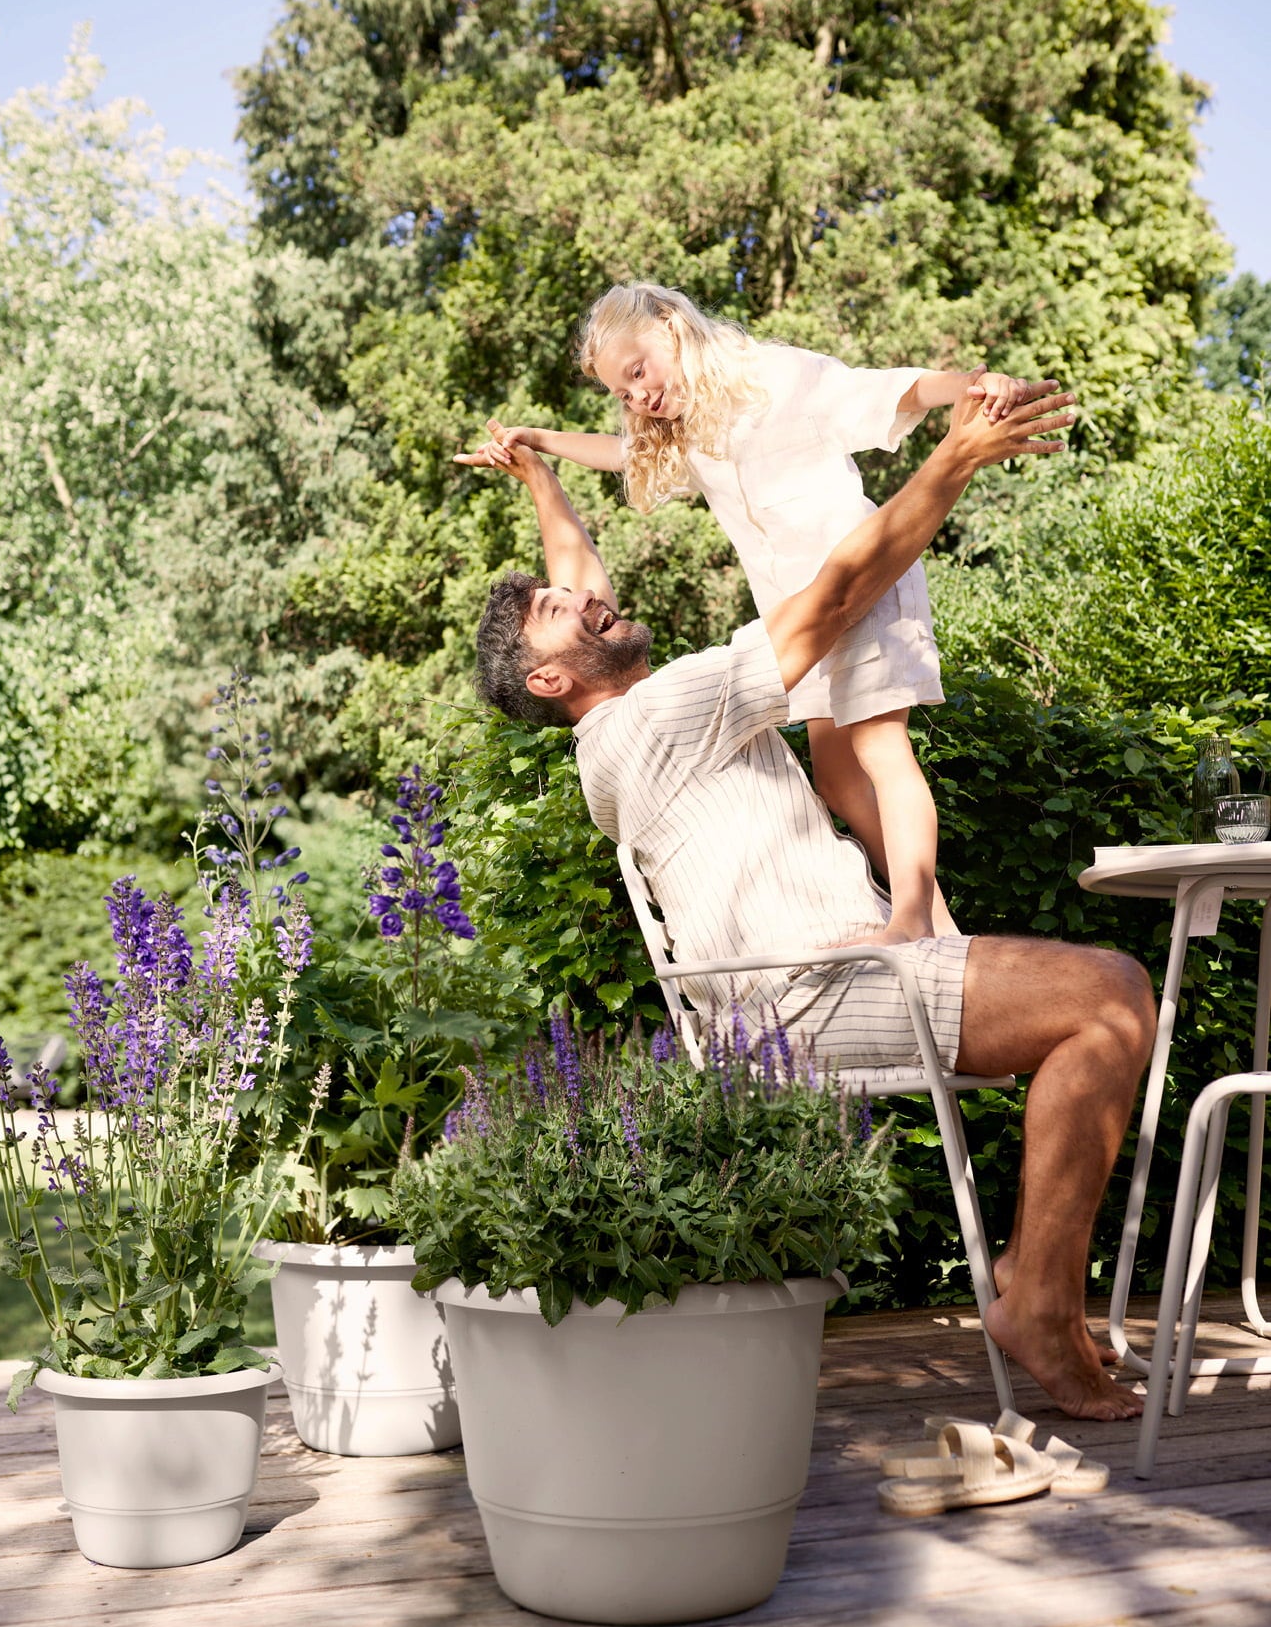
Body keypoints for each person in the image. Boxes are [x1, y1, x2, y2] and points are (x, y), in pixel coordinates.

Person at [465, 386, 1155, 1423]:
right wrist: (955, 459)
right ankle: (1038, 1304)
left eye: (575, 595)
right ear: (552, 680)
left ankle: (1033, 1280)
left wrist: (539, 475)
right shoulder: (659, 714)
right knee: (1107, 995)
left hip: (817, 985)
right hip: (813, 995)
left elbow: (579, 580)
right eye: (561, 614)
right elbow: (832, 600)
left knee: (1109, 997)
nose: (589, 596)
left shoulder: (608, 742)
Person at [459, 281, 1037, 945]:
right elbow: (623, 453)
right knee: (838, 782)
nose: (636, 397)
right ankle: (943, 933)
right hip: (798, 621)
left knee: (880, 748)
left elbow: (884, 391)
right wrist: (538, 441)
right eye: (621, 392)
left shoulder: (774, 379)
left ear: (672, 329)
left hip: (865, 580)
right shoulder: (689, 432)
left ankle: (908, 919)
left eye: (638, 372)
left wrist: (970, 386)